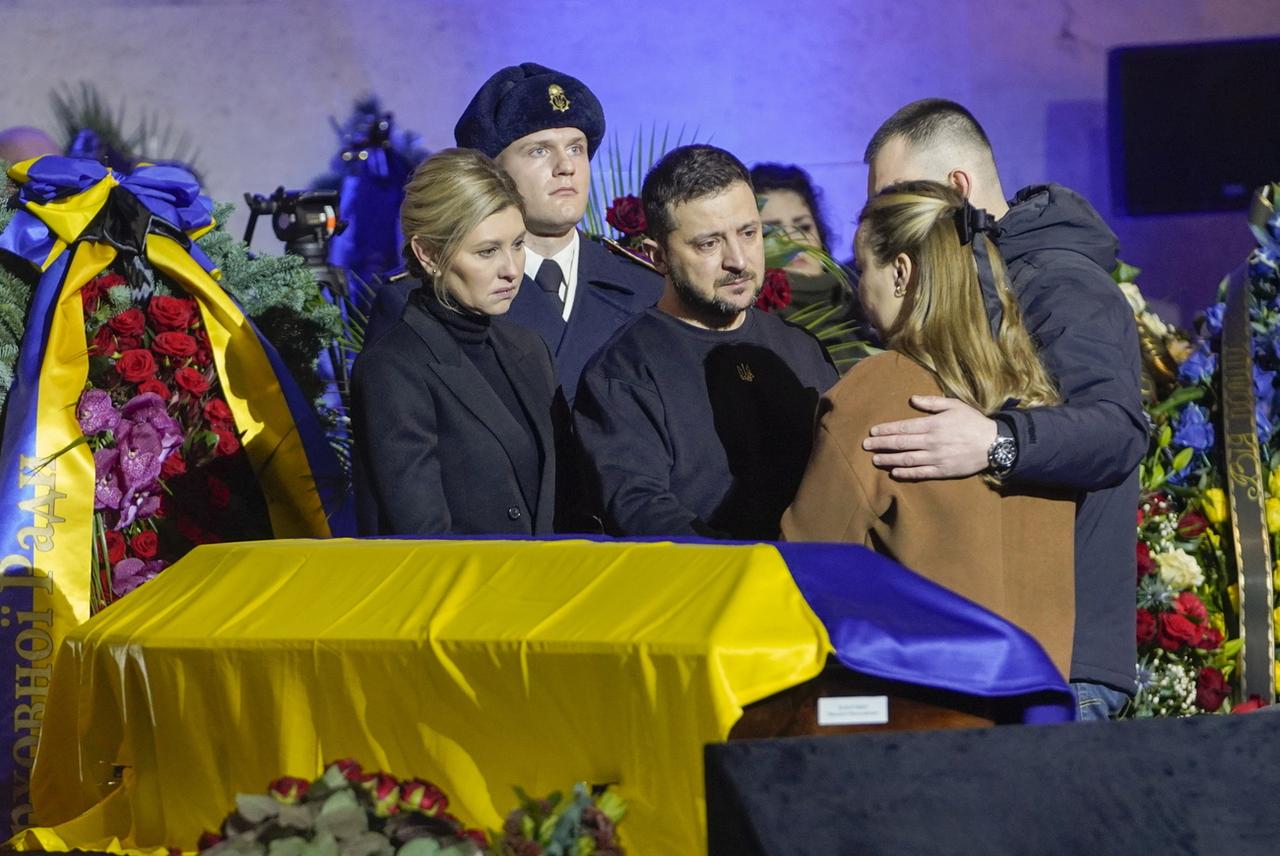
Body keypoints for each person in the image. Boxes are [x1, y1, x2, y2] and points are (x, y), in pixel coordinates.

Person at [860, 98, 1147, 718]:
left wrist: (995, 441)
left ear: (959, 188)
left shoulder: (1058, 281)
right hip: (1001, 647)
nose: (882, 216)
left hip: (1063, 661)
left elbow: (1118, 430)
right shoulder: (969, 288)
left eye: (896, 194)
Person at [782, 180, 1076, 679]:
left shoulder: (877, 393)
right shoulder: (1035, 391)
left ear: (900, 272)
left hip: (925, 712)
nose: (858, 287)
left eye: (863, 267)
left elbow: (807, 565)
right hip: (1040, 708)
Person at [573, 145, 838, 540]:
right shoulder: (623, 372)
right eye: (709, 244)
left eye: (749, 233)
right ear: (657, 256)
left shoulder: (800, 348)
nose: (739, 261)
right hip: (710, 588)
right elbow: (639, 508)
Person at [365, 63, 663, 403]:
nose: (566, 166)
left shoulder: (645, 288)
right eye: (540, 150)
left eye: (576, 148)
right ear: (491, 171)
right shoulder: (422, 300)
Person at [351, 148, 562, 536]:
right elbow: (423, 536)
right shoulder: (393, 369)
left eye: (517, 244)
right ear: (428, 254)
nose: (511, 270)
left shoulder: (530, 349)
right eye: (487, 252)